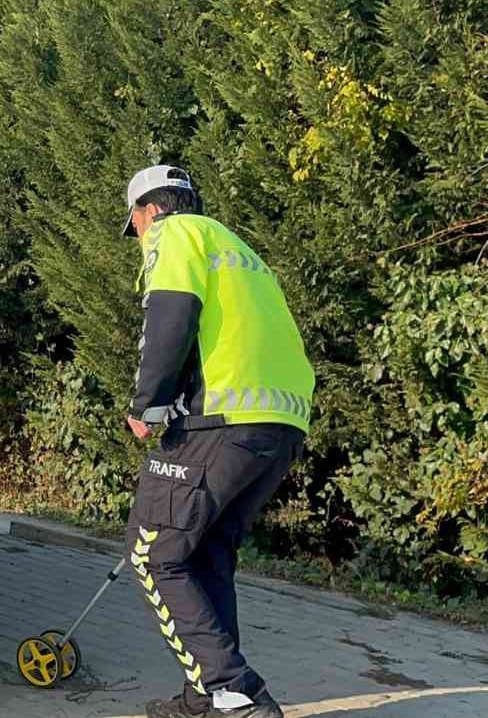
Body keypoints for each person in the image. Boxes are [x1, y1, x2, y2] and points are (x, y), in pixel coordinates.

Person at [119, 165, 314, 718]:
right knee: (203, 556)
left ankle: (234, 692)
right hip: (279, 423)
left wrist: (145, 405)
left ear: (149, 210)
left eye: (134, 226)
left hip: (220, 420)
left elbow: (171, 317)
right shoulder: (240, 249)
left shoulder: (175, 233)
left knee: (152, 554)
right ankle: (202, 699)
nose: (138, 239)